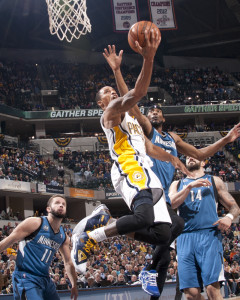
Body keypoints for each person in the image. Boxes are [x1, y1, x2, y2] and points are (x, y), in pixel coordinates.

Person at [102, 44, 240, 299]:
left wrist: (226, 141)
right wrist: (118, 72)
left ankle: (151, 278)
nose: (152, 112)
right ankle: (117, 239)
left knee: (166, 246)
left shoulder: (173, 139)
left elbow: (199, 154)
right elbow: (130, 100)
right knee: (163, 243)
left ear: (163, 117)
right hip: (148, 188)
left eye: (157, 111)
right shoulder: (146, 129)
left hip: (165, 197)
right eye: (150, 111)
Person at [72, 29, 189, 297]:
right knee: (144, 217)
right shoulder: (111, 114)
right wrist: (148, 58)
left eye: (113, 90)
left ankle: (108, 221)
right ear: (102, 103)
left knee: (165, 232)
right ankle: (90, 237)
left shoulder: (133, 121)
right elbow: (136, 93)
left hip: (147, 171)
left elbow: (148, 147)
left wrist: (172, 158)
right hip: (128, 168)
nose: (112, 93)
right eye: (107, 93)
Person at [169, 156, 240, 300]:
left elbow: (234, 207)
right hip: (184, 238)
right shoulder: (177, 184)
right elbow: (171, 203)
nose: (189, 157)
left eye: (194, 155)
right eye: (187, 157)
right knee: (191, 294)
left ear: (203, 162)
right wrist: (189, 187)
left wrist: (228, 217)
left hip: (208, 236)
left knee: (212, 290)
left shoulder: (214, 181)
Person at [0, 194, 78, 300]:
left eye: (63, 204)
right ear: (48, 209)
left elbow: (68, 262)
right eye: (57, 203)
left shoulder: (63, 236)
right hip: (26, 276)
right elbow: (7, 242)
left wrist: (74, 284)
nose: (61, 205)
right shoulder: (35, 223)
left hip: (45, 279)